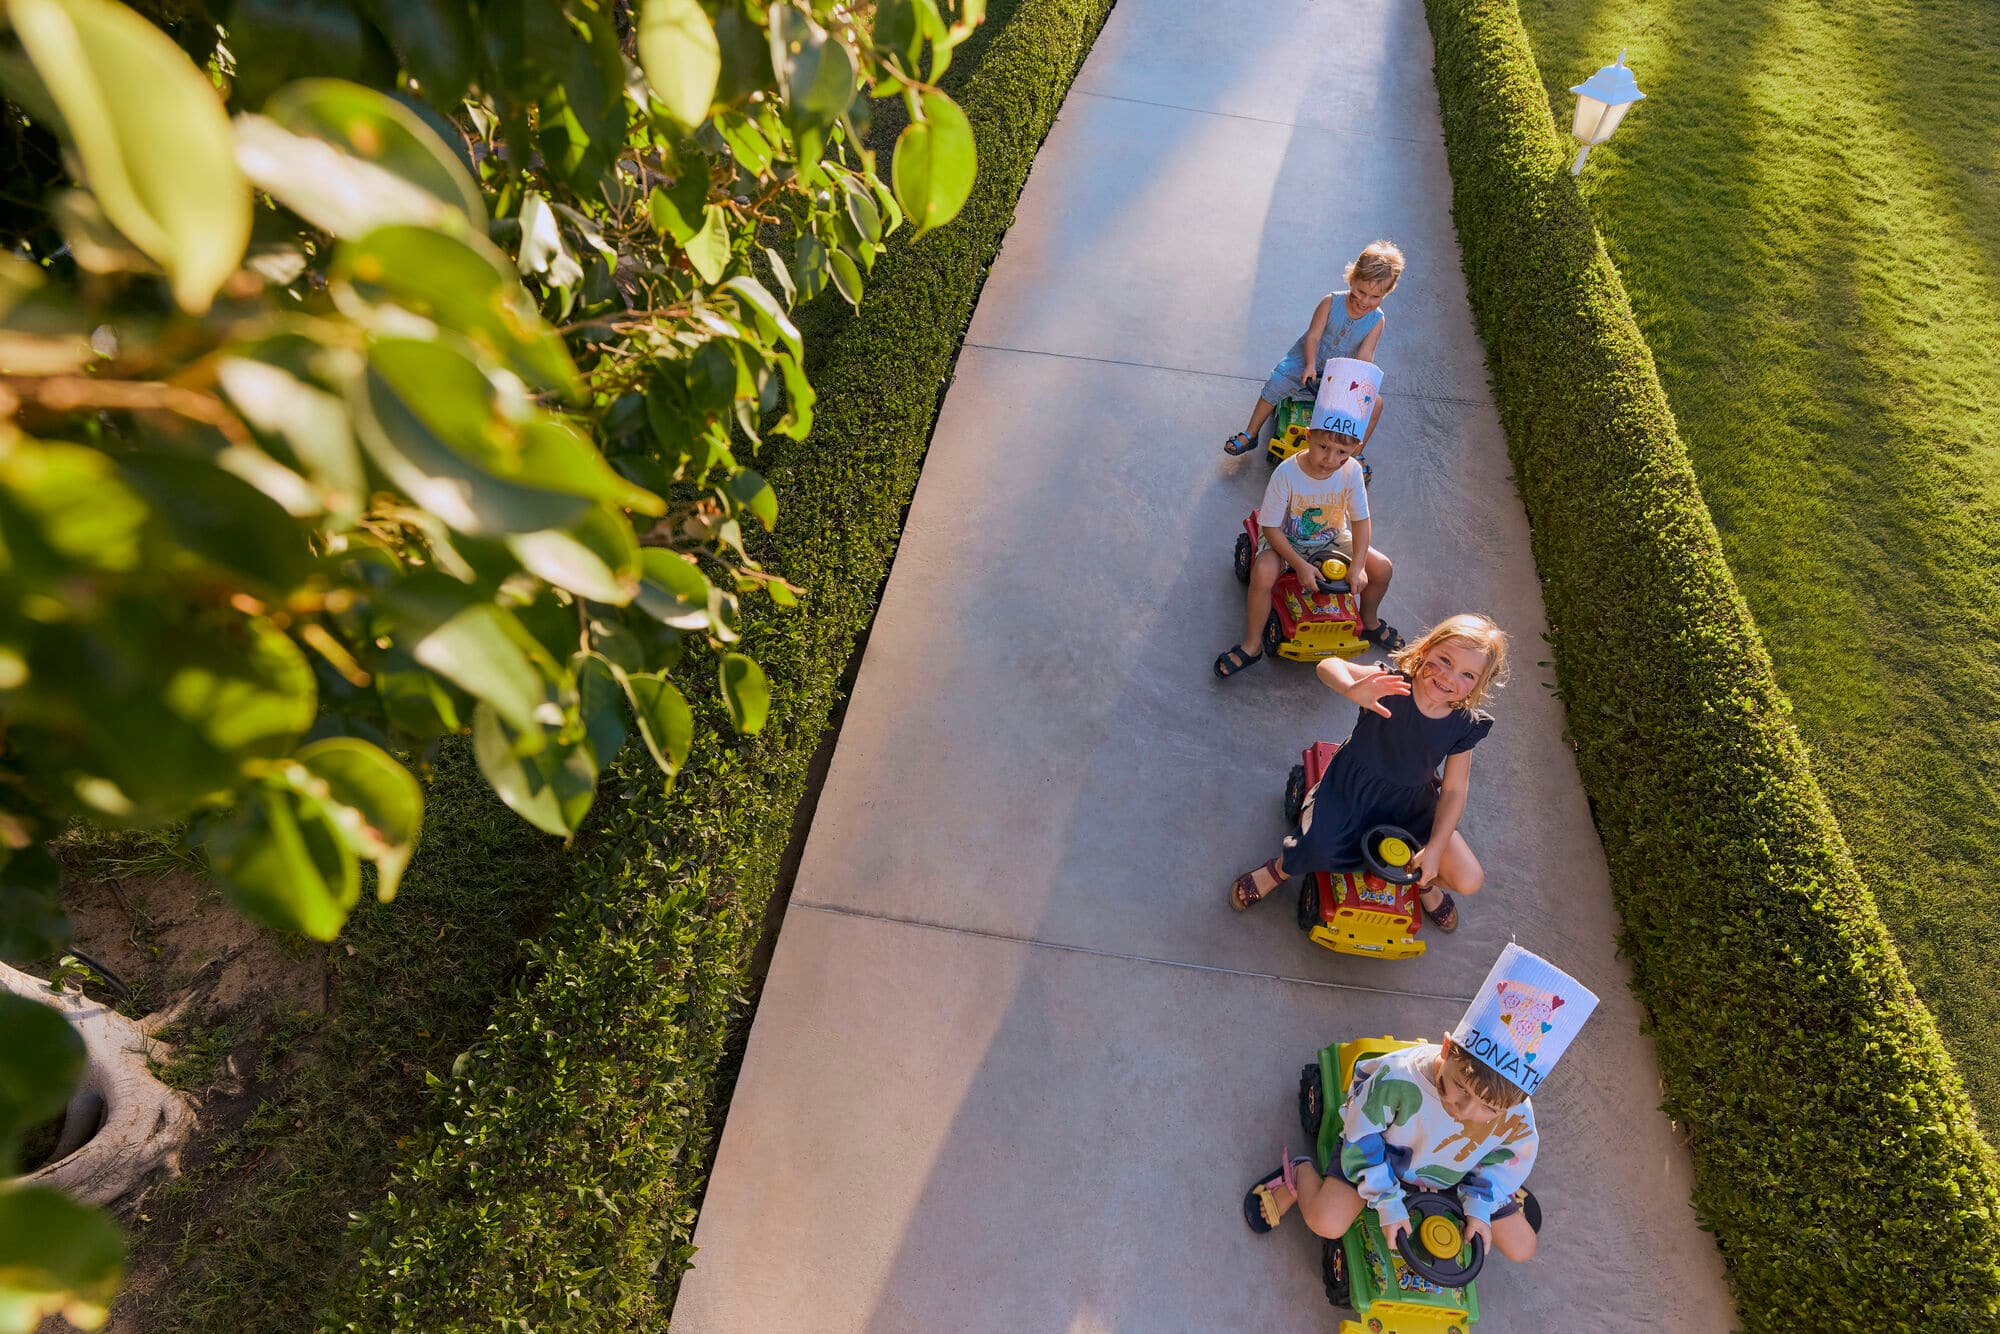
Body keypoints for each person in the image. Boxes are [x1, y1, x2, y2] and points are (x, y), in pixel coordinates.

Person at [1241, 944, 1601, 1266]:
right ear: (1446, 1049)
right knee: (1326, 1222)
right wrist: (1385, 1200)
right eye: (1460, 1087)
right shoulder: (1397, 1081)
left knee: (1524, 1248)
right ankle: (1299, 1175)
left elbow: (1508, 1153)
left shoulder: (1516, 1114)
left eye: (1489, 1110)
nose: (1465, 1110)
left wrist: (1479, 1201)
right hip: (1379, 1158)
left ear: (1519, 1099)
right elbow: (1361, 1138)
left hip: (1452, 1174)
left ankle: (1494, 1190)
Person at [1227, 613, 1508, 931]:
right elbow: (1328, 666)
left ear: (1479, 683)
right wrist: (1351, 688)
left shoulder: (1464, 723)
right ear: (1426, 649)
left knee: (1469, 878)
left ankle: (1423, 881)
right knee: (1318, 847)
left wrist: (1436, 848)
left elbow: (1455, 789)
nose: (1449, 677)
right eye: (1444, 659)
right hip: (1351, 793)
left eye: (1468, 675)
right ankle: (1279, 869)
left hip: (1411, 807)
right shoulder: (1390, 684)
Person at [1213, 425, 1399, 679]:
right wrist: (1299, 564)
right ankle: (1252, 645)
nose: (1330, 459)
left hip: (1330, 538)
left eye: (1341, 451)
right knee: (1264, 573)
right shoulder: (1287, 473)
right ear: (1309, 436)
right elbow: (1269, 527)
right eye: (1323, 447)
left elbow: (1361, 521)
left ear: (1355, 449)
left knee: (1382, 567)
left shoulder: (1351, 470)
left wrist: (1357, 565)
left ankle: (1368, 621)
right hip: (1285, 540)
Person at [1223, 240, 1404, 457]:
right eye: (1361, 291)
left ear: (1387, 293)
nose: (1365, 301)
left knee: (1375, 404)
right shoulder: (1331, 301)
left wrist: (1361, 385)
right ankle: (1251, 433)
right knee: (1277, 381)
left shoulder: (1377, 320)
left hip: (1340, 374)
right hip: (1307, 360)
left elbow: (1365, 355)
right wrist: (1309, 364)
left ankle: (1353, 454)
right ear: (1352, 279)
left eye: (1375, 297)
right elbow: (1313, 336)